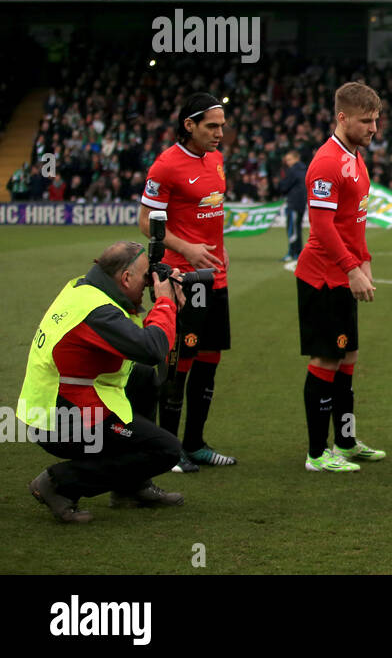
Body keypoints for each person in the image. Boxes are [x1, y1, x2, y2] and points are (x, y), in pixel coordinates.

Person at [19, 240, 186, 522]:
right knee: (165, 450)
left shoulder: (83, 289)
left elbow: (143, 355)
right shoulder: (99, 312)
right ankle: (59, 483)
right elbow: (151, 348)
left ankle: (131, 486)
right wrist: (167, 302)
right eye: (146, 277)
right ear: (125, 278)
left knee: (144, 376)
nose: (149, 284)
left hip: (57, 401)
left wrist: (166, 306)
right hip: (59, 419)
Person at [138, 92, 236, 472]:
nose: (219, 132)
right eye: (211, 125)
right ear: (189, 125)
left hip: (217, 275)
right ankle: (169, 448)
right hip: (183, 277)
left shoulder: (215, 158)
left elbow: (210, 212)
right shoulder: (166, 165)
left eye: (222, 125)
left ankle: (195, 443)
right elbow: (146, 220)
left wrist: (219, 250)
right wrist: (188, 250)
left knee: (210, 359)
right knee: (181, 360)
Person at [295, 82, 387, 472]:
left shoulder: (356, 157)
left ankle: (345, 441)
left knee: (348, 355)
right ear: (342, 117)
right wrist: (351, 268)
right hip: (322, 277)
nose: (374, 129)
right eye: (366, 121)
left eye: (377, 120)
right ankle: (318, 454)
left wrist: (363, 261)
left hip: (343, 274)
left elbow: (355, 223)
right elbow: (322, 227)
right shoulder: (328, 162)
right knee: (326, 358)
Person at [278, 150, 308, 267]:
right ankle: (298, 251)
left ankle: (293, 252)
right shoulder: (304, 169)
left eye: (289, 159)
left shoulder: (293, 171)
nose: (287, 162)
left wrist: (281, 185)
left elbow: (285, 186)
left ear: (296, 158)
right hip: (300, 203)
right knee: (297, 228)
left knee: (292, 229)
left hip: (294, 203)